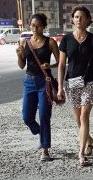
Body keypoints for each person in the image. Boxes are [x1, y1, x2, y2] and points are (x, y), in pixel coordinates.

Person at [56, 6, 93, 167]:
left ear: (88, 20)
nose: (79, 19)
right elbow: (61, 66)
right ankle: (90, 140)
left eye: (82, 17)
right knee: (78, 119)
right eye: (76, 17)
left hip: (91, 81)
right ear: (72, 19)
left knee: (84, 115)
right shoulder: (66, 40)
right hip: (72, 82)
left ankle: (81, 153)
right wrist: (59, 87)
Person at [15, 13, 60, 162]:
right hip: (29, 82)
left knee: (44, 116)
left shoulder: (50, 42)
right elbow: (22, 66)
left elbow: (61, 62)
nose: (34, 28)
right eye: (32, 25)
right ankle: (41, 132)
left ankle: (45, 149)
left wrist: (50, 65)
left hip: (44, 82)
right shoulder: (24, 42)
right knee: (27, 117)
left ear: (44, 26)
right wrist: (19, 55)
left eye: (38, 25)